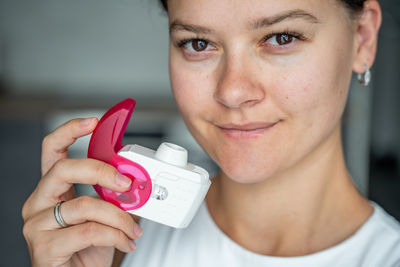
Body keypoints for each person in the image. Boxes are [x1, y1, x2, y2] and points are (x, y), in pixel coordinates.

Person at [22, 0, 400, 266]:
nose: (232, 91)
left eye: (281, 38)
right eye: (197, 44)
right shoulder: (115, 247)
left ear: (362, 38)